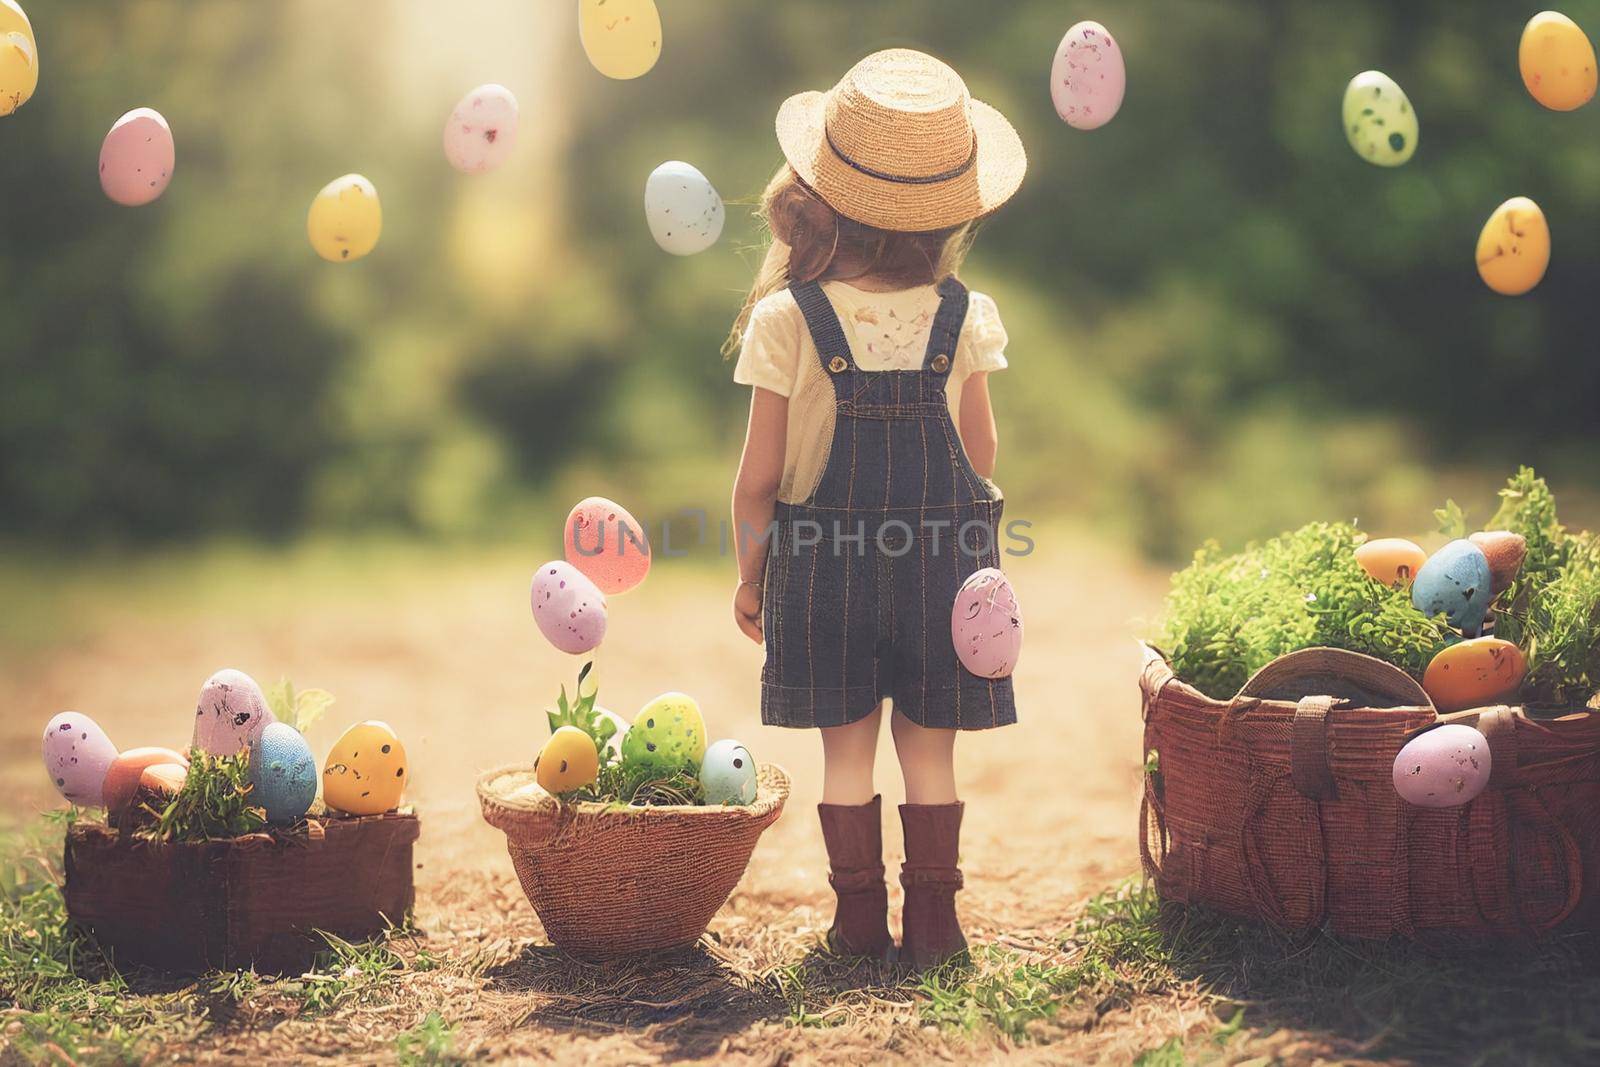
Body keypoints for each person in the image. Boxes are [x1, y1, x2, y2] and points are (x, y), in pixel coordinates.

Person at [727, 49, 1025, 968]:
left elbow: (758, 480)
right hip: (941, 563)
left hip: (823, 571)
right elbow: (981, 453)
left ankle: (858, 926)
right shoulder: (964, 315)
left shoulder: (788, 318)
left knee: (847, 755)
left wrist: (752, 576)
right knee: (930, 755)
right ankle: (935, 926)